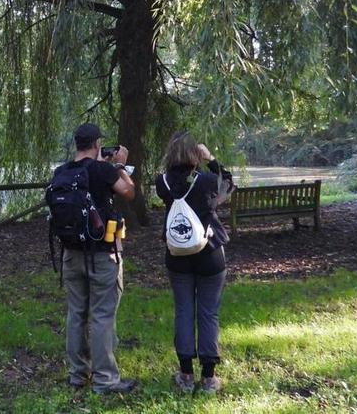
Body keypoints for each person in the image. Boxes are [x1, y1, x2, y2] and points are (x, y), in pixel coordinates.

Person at [56, 123, 136, 394]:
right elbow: (129, 191)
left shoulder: (62, 172)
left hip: (71, 254)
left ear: (77, 144)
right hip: (101, 255)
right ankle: (105, 380)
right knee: (102, 316)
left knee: (76, 313)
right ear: (97, 144)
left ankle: (78, 374)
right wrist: (121, 166)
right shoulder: (103, 170)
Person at [155, 131, 234, 394]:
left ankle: (186, 375)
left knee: (183, 311)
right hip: (210, 253)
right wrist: (210, 159)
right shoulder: (208, 180)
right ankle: (209, 378)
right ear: (195, 153)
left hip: (177, 255)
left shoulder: (163, 183)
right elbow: (228, 185)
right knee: (208, 312)